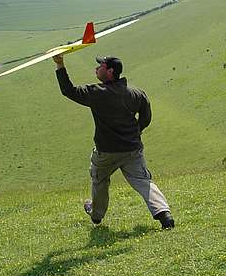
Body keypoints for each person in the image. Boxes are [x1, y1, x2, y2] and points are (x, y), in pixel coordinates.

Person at [53, 54, 174, 229]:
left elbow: (68, 91)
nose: (96, 68)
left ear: (110, 71)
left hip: (106, 152)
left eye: (100, 66)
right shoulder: (136, 93)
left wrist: (60, 64)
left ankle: (96, 215)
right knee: (143, 180)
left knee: (99, 180)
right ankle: (164, 214)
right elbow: (146, 117)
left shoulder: (97, 93)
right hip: (132, 149)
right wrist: (136, 132)